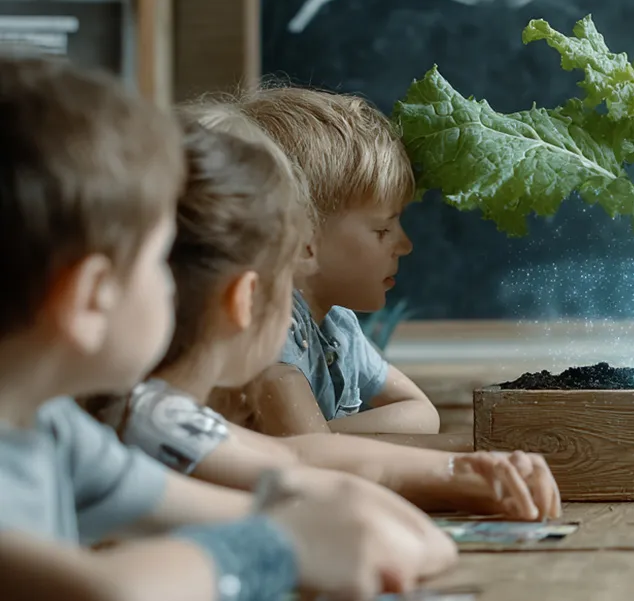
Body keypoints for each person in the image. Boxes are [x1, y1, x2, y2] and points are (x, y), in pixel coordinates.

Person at [0, 56, 456, 601]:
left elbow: (271, 490)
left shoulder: (49, 429)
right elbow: (109, 590)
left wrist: (357, 519)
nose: (176, 282)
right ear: (89, 297)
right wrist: (289, 543)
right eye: (156, 261)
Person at [90, 107, 561, 520]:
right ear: (246, 300)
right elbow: (299, 476)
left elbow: (299, 455)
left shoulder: (158, 412)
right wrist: (456, 472)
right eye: (288, 277)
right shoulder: (154, 416)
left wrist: (462, 468)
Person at [231, 84, 446, 440]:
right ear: (303, 242)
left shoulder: (339, 325)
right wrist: (324, 444)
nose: (405, 245)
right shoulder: (272, 328)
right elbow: (309, 452)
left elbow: (423, 414)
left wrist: (328, 438)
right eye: (382, 229)